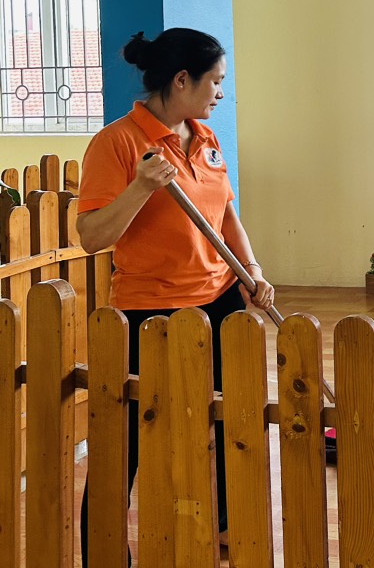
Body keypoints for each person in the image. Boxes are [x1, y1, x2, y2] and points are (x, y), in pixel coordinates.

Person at [77, 28, 275, 563]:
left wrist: (252, 270)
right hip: (150, 308)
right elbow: (92, 236)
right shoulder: (118, 143)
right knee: (126, 438)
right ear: (182, 80)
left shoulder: (205, 137)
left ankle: (229, 529)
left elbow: (226, 215)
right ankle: (103, 548)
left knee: (233, 420)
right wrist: (141, 186)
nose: (221, 93)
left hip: (220, 299)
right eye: (215, 81)